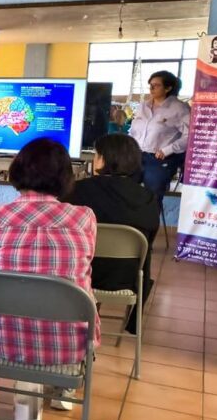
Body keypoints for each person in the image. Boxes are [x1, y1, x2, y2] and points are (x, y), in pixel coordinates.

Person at [0, 138, 99, 411]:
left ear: (17, 170)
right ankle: (63, 386)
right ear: (65, 177)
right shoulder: (84, 217)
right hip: (67, 343)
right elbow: (85, 265)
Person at [64, 133, 158, 334]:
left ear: (103, 159)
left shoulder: (76, 191)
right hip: (126, 278)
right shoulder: (147, 198)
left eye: (96, 154)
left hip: (79, 272)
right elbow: (148, 240)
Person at [128, 70, 190, 202]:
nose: (151, 88)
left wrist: (168, 150)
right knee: (125, 191)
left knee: (152, 198)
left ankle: (152, 216)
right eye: (150, 85)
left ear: (168, 88)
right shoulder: (143, 106)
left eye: (156, 85)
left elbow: (190, 135)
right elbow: (133, 130)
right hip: (136, 155)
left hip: (159, 159)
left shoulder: (179, 108)